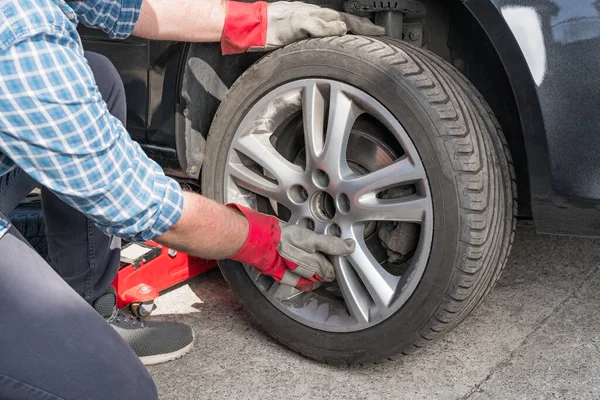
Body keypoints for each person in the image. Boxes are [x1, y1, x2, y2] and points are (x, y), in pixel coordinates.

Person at [0, 0, 383, 398]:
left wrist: (263, 20)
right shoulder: (18, 31)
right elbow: (135, 201)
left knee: (96, 75)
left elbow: (122, 7)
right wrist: (267, 242)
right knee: (117, 389)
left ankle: (91, 306)